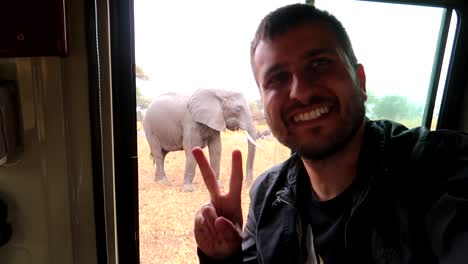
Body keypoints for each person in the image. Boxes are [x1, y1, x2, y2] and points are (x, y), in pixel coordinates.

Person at [192, 3, 468, 264]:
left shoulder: (439, 164)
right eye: (277, 78)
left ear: (359, 81)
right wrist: (227, 257)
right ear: (264, 104)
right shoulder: (267, 196)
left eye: (320, 64)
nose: (301, 92)